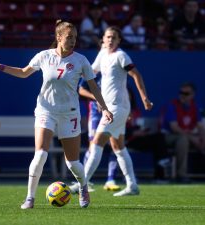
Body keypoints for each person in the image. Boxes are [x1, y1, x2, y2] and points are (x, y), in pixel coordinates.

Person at [0, 20, 113, 209]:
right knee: (41, 154)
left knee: (73, 163)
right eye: (69, 37)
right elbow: (23, 73)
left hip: (69, 114)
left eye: (75, 37)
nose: (73, 40)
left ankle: (83, 186)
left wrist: (105, 108)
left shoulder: (81, 60)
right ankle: (30, 198)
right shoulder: (44, 56)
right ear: (58, 37)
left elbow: (93, 86)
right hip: (46, 111)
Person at [70, 26, 153, 196]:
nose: (110, 40)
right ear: (103, 38)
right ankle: (132, 185)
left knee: (97, 143)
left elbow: (136, 75)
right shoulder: (102, 54)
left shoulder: (121, 56)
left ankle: (82, 184)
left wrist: (144, 97)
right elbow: (91, 72)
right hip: (111, 108)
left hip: (117, 107)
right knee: (119, 147)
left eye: (113, 38)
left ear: (119, 41)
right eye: (107, 37)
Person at [76, 76, 121, 192]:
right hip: (96, 112)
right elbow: (81, 90)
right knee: (93, 146)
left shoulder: (114, 70)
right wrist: (97, 99)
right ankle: (84, 182)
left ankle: (111, 180)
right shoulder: (93, 70)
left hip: (112, 111)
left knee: (114, 144)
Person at [160, 82, 205, 183]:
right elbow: (174, 128)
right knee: (183, 139)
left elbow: (200, 126)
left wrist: (203, 139)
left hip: (187, 135)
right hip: (167, 136)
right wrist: (192, 138)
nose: (183, 95)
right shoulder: (172, 105)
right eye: (181, 93)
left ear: (193, 95)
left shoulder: (195, 107)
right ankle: (181, 175)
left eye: (186, 93)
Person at [126, 87, 170, 181]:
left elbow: (137, 124)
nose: (126, 96)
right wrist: (133, 132)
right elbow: (115, 128)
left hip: (137, 138)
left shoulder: (135, 110)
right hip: (125, 140)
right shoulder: (116, 109)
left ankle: (160, 176)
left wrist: (142, 131)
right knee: (157, 143)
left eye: (128, 94)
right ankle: (164, 159)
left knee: (159, 139)